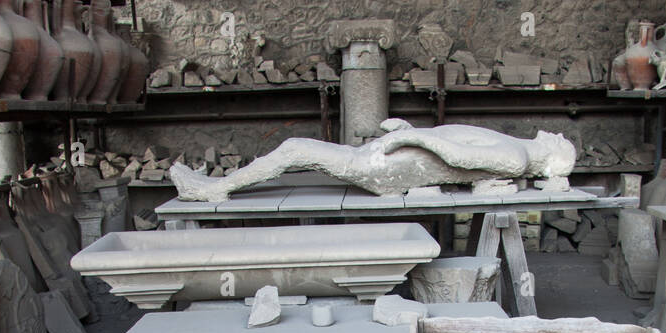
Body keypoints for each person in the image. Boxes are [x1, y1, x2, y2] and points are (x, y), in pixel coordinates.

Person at [169, 119, 577, 203]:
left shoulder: (515, 155)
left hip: (387, 168)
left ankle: (212, 189)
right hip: (393, 158)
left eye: (563, 144)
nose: (559, 135)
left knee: (296, 149)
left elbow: (460, 155)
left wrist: (412, 135)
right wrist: (411, 129)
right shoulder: (514, 149)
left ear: (553, 159)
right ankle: (216, 185)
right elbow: (456, 150)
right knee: (298, 150)